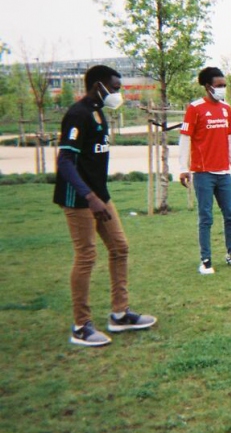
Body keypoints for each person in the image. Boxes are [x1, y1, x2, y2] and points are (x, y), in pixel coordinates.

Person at [54, 65, 157, 347]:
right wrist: (89, 196)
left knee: (120, 248)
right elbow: (64, 161)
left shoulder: (100, 113)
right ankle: (81, 325)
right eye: (114, 87)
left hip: (101, 196)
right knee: (86, 256)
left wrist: (99, 195)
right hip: (80, 199)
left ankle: (120, 314)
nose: (117, 92)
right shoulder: (78, 115)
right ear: (98, 85)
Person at [179, 67, 231, 275]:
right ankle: (206, 260)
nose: (223, 89)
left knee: (230, 214)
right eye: (219, 86)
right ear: (208, 86)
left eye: (224, 85)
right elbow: (185, 139)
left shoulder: (226, 109)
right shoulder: (195, 108)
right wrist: (183, 168)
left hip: (223, 173)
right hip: (202, 173)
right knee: (206, 217)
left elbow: (230, 141)